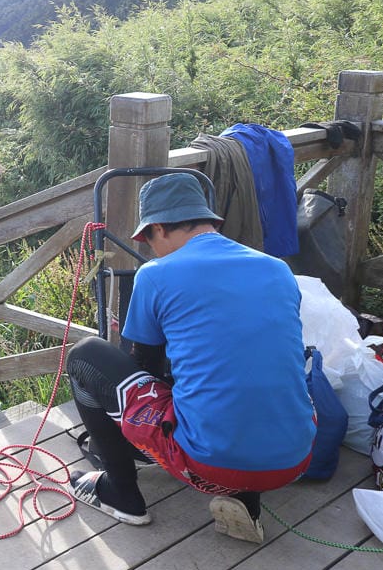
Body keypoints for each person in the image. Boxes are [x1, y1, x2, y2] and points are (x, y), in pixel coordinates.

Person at [65, 172, 316, 543]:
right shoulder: (277, 268)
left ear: (160, 228)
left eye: (148, 239)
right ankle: (246, 499)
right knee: (249, 369)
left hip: (208, 465)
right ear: (210, 222)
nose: (150, 250)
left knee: (85, 356)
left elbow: (143, 368)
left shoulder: (156, 274)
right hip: (295, 458)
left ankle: (121, 493)